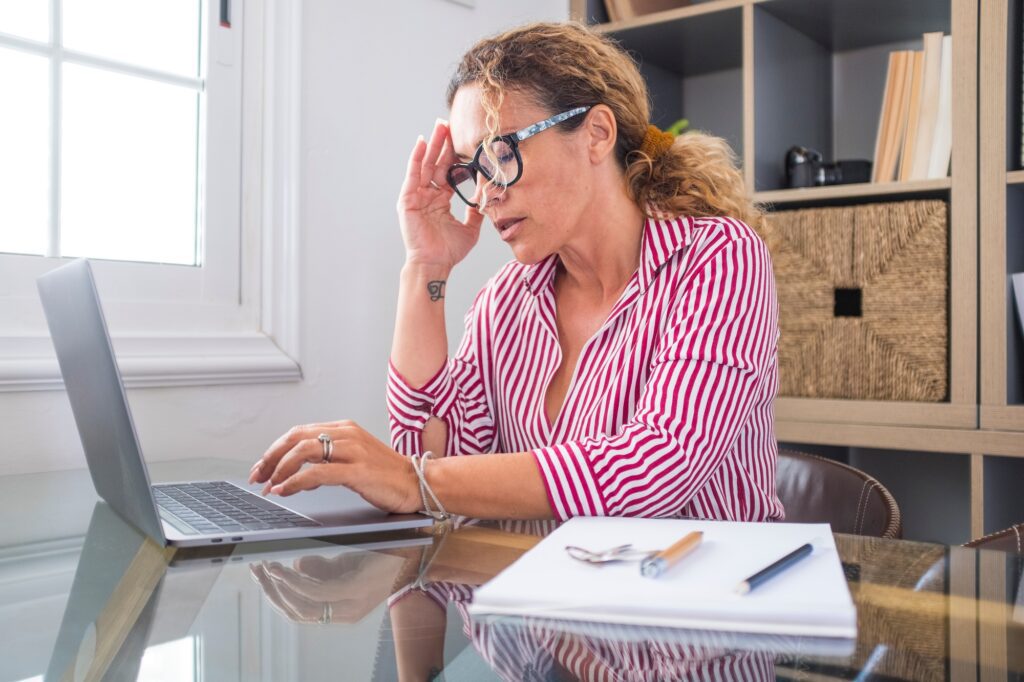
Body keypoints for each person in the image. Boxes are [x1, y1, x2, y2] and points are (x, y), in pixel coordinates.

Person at [250, 21, 783, 523]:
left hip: (701, 607)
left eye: (500, 152)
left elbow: (655, 470)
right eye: (472, 167)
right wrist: (425, 266)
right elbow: (435, 456)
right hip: (546, 605)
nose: (484, 193)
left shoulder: (718, 258)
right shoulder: (508, 298)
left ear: (596, 134)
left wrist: (414, 480)